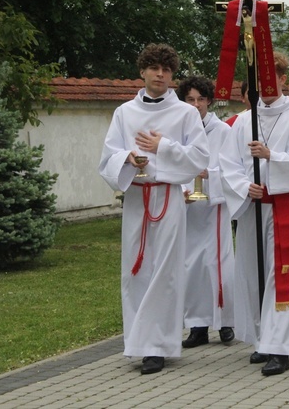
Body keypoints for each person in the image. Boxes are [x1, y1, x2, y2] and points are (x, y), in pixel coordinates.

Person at [98, 43, 209, 375]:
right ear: (142, 71)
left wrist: (164, 146)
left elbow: (201, 158)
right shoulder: (124, 113)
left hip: (169, 197)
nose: (160, 74)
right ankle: (137, 341)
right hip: (136, 198)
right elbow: (108, 158)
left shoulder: (185, 114)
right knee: (135, 268)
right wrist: (128, 159)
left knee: (165, 271)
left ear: (172, 75)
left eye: (166, 70)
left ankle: (158, 347)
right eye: (154, 68)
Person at [219, 52, 289, 376]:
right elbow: (227, 164)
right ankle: (263, 339)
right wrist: (246, 186)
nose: (267, 85)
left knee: (281, 278)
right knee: (253, 274)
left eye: (272, 77)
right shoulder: (245, 120)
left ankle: (282, 349)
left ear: (284, 79)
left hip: (283, 207)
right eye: (260, 79)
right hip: (252, 210)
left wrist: (271, 156)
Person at [176, 77, 235, 349]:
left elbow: (233, 169)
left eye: (201, 99)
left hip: (214, 208)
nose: (196, 104)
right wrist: (182, 191)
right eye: (190, 99)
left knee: (217, 265)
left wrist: (208, 175)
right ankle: (197, 326)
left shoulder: (222, 131)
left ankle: (225, 322)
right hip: (188, 209)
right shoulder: (178, 129)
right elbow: (172, 164)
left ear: (209, 100)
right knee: (191, 267)